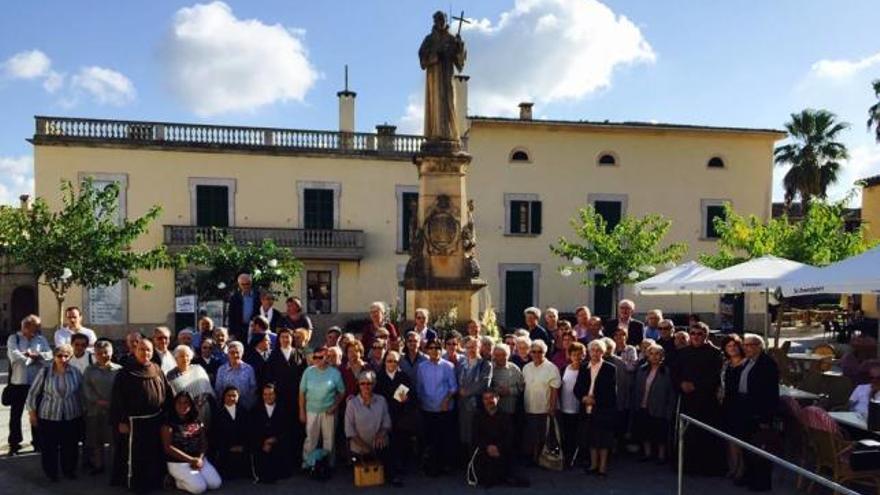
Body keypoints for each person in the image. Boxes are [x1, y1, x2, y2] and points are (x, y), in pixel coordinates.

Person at [109, 338, 173, 491]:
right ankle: (135, 483)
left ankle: (154, 482)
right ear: (135, 351)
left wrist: (168, 413)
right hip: (133, 423)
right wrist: (122, 421)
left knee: (154, 454)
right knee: (135, 456)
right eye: (142, 349)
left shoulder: (157, 369)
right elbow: (118, 400)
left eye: (148, 350)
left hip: (155, 420)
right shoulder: (126, 373)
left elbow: (168, 392)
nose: (145, 353)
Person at [26, 344, 84, 481]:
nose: (63, 359)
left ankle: (69, 470)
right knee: (49, 447)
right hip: (49, 415)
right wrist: (32, 413)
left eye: (66, 356)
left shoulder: (75, 372)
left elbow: (81, 392)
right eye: (59, 356)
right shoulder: (45, 372)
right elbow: (33, 393)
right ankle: (51, 473)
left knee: (70, 446)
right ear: (54, 356)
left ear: (70, 357)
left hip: (71, 414)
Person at [676, 322, 725, 476]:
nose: (696, 336)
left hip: (706, 401)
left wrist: (696, 385)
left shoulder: (715, 353)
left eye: (699, 334)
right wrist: (681, 384)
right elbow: (675, 372)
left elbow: (716, 376)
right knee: (688, 434)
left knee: (705, 435)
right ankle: (687, 466)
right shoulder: (683, 352)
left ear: (706, 335)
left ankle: (707, 468)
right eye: (693, 333)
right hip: (687, 399)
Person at [734, 334, 779, 492]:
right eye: (745, 345)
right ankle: (749, 475)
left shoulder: (767, 364)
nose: (746, 348)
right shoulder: (747, 361)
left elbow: (770, 393)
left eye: (750, 345)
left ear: (759, 346)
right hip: (744, 407)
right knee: (746, 445)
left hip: (759, 410)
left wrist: (765, 417)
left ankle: (761, 481)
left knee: (761, 447)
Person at [6, 314, 52, 456]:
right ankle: (14, 444)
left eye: (38, 326)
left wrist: (38, 356)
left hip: (36, 383)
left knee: (36, 414)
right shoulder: (14, 338)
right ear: (26, 326)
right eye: (35, 326)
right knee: (15, 415)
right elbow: (14, 356)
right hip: (18, 382)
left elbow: (49, 356)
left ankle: (38, 442)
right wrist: (31, 358)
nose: (38, 329)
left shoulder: (41, 339)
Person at [161, 392, 222, 494]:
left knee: (215, 484)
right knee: (199, 488)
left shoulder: (196, 420)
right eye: (179, 403)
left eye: (186, 402)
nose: (183, 405)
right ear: (174, 404)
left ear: (190, 405)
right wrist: (190, 460)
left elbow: (204, 442)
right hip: (178, 463)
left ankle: (195, 477)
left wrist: (200, 459)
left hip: (198, 459)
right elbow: (168, 447)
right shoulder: (168, 423)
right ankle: (175, 482)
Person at [345, 370, 398, 485]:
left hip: (379, 444)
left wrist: (381, 433)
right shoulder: (352, 404)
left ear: (374, 384)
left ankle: (391, 476)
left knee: (388, 447)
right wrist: (366, 447)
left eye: (369, 383)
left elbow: (387, 422)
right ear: (358, 385)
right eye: (362, 383)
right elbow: (349, 431)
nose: (365, 386)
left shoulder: (381, 400)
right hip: (359, 447)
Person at [264, 327, 308, 464]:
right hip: (280, 399)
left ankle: (298, 459)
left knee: (297, 429)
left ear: (292, 339)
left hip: (297, 398)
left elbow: (304, 377)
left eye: (288, 337)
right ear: (279, 339)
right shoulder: (273, 356)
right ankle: (283, 460)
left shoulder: (299, 354)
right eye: (282, 337)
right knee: (282, 429)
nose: (285, 339)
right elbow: (269, 377)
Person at [574, 340, 617, 477]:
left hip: (603, 408)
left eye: (598, 350)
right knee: (591, 438)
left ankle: (602, 467)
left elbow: (611, 392)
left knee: (603, 440)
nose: (595, 353)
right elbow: (577, 388)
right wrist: (583, 398)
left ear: (603, 352)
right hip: (586, 408)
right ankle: (593, 465)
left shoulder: (610, 368)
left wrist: (595, 400)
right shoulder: (583, 367)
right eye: (592, 350)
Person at [375, 350, 419, 482]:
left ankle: (400, 469)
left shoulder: (403, 377)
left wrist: (407, 400)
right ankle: (390, 473)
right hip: (383, 416)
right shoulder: (379, 377)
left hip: (401, 417)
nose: (392, 363)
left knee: (401, 443)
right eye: (389, 360)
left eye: (395, 361)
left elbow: (413, 398)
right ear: (385, 362)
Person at [299, 346, 345, 467]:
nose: (317, 359)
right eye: (315, 357)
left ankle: (328, 465)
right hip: (311, 411)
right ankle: (307, 463)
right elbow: (302, 393)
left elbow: (341, 392)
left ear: (326, 357)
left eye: (320, 357)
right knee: (310, 439)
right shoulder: (308, 372)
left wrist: (335, 406)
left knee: (329, 440)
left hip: (328, 411)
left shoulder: (334, 373)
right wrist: (302, 411)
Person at [417, 340, 458, 475]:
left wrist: (446, 401)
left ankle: (444, 465)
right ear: (427, 350)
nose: (434, 350)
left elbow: (453, 387)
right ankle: (431, 466)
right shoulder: (422, 367)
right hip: (428, 408)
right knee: (430, 438)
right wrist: (422, 403)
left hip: (444, 408)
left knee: (444, 438)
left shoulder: (449, 366)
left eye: (437, 348)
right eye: (431, 348)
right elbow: (419, 387)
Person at [82, 339, 121, 475]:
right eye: (99, 353)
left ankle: (115, 466)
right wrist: (98, 401)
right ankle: (99, 465)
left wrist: (113, 403)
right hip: (95, 410)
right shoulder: (89, 370)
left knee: (113, 440)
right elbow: (86, 388)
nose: (103, 355)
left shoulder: (119, 370)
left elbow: (121, 390)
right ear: (95, 354)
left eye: (106, 352)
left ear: (112, 352)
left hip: (113, 410)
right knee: (96, 440)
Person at [633, 345, 676, 464]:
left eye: (657, 354)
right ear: (647, 355)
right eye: (651, 353)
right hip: (643, 405)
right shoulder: (642, 369)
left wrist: (669, 410)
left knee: (660, 432)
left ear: (662, 356)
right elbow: (636, 389)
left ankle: (661, 456)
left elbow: (671, 393)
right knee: (645, 430)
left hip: (660, 407)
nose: (654, 356)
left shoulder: (667, 372)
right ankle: (648, 454)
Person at [521, 340, 561, 461]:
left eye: (540, 352)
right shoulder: (526, 367)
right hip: (529, 407)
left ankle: (543, 460)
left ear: (545, 352)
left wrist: (552, 407)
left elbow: (554, 389)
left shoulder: (552, 368)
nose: (537, 354)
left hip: (545, 408)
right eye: (534, 352)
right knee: (532, 435)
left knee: (544, 436)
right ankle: (533, 458)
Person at [471, 389, 516, 488]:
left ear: (498, 398)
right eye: (485, 398)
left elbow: (509, 436)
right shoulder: (478, 417)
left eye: (491, 397)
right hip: (484, 450)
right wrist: (487, 447)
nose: (489, 401)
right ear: (482, 401)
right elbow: (475, 436)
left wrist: (498, 447)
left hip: (500, 450)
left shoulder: (505, 416)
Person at [720, 334, 747, 479]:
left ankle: (741, 468)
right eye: (729, 346)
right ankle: (732, 466)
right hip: (727, 403)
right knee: (729, 437)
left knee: (739, 438)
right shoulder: (726, 364)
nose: (732, 348)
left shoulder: (746, 363)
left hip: (741, 404)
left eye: (735, 345)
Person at [251, 383, 290, 483]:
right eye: (265, 394)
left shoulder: (283, 409)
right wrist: (264, 443)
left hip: (278, 443)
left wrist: (275, 439)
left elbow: (287, 429)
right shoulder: (255, 410)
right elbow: (253, 431)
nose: (268, 397)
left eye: (271, 394)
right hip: (262, 444)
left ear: (275, 395)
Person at [457, 337, 490, 454]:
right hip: (461, 405)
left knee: (474, 434)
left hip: (475, 405)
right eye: (468, 347)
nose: (471, 350)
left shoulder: (485, 364)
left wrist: (467, 392)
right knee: (463, 433)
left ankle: (475, 462)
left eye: (474, 347)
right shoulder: (461, 364)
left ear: (479, 347)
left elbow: (483, 384)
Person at [167, 345, 215, 425]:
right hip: (184, 410)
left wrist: (199, 403)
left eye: (187, 356)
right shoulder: (171, 375)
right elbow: (173, 395)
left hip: (203, 408)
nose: (185, 358)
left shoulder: (198, 369)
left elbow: (207, 388)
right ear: (176, 358)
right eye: (182, 356)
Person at [209, 386, 249, 480]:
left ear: (238, 397)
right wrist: (229, 447)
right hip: (226, 450)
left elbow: (248, 432)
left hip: (242, 449)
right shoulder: (218, 413)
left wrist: (242, 446)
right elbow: (215, 434)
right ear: (224, 397)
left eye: (234, 395)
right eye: (228, 395)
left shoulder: (244, 411)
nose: (231, 398)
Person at [559, 342, 586, 466]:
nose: (577, 357)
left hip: (578, 408)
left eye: (580, 354)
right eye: (574, 354)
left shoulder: (586, 370)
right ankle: (566, 457)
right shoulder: (564, 369)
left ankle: (574, 459)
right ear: (570, 355)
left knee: (577, 434)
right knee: (566, 434)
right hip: (564, 407)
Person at [214, 342, 257, 410]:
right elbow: (218, 390)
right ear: (228, 354)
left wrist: (249, 406)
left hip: (245, 408)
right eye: (232, 352)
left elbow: (253, 389)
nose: (235, 355)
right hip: (227, 408)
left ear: (242, 353)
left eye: (237, 352)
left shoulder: (249, 369)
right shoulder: (221, 370)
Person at [488, 343, 524, 415]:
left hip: (511, 411)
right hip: (494, 412)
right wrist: (496, 391)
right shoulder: (489, 369)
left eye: (503, 355)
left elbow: (521, 388)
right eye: (498, 355)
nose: (501, 357)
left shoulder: (514, 369)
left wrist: (509, 391)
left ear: (508, 355)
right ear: (494, 356)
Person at [228, 273, 260, 340]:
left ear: (251, 283)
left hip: (255, 329)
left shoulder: (258, 296)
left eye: (247, 284)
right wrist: (232, 333)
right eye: (243, 284)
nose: (245, 286)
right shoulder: (234, 298)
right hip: (239, 330)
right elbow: (231, 316)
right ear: (239, 285)